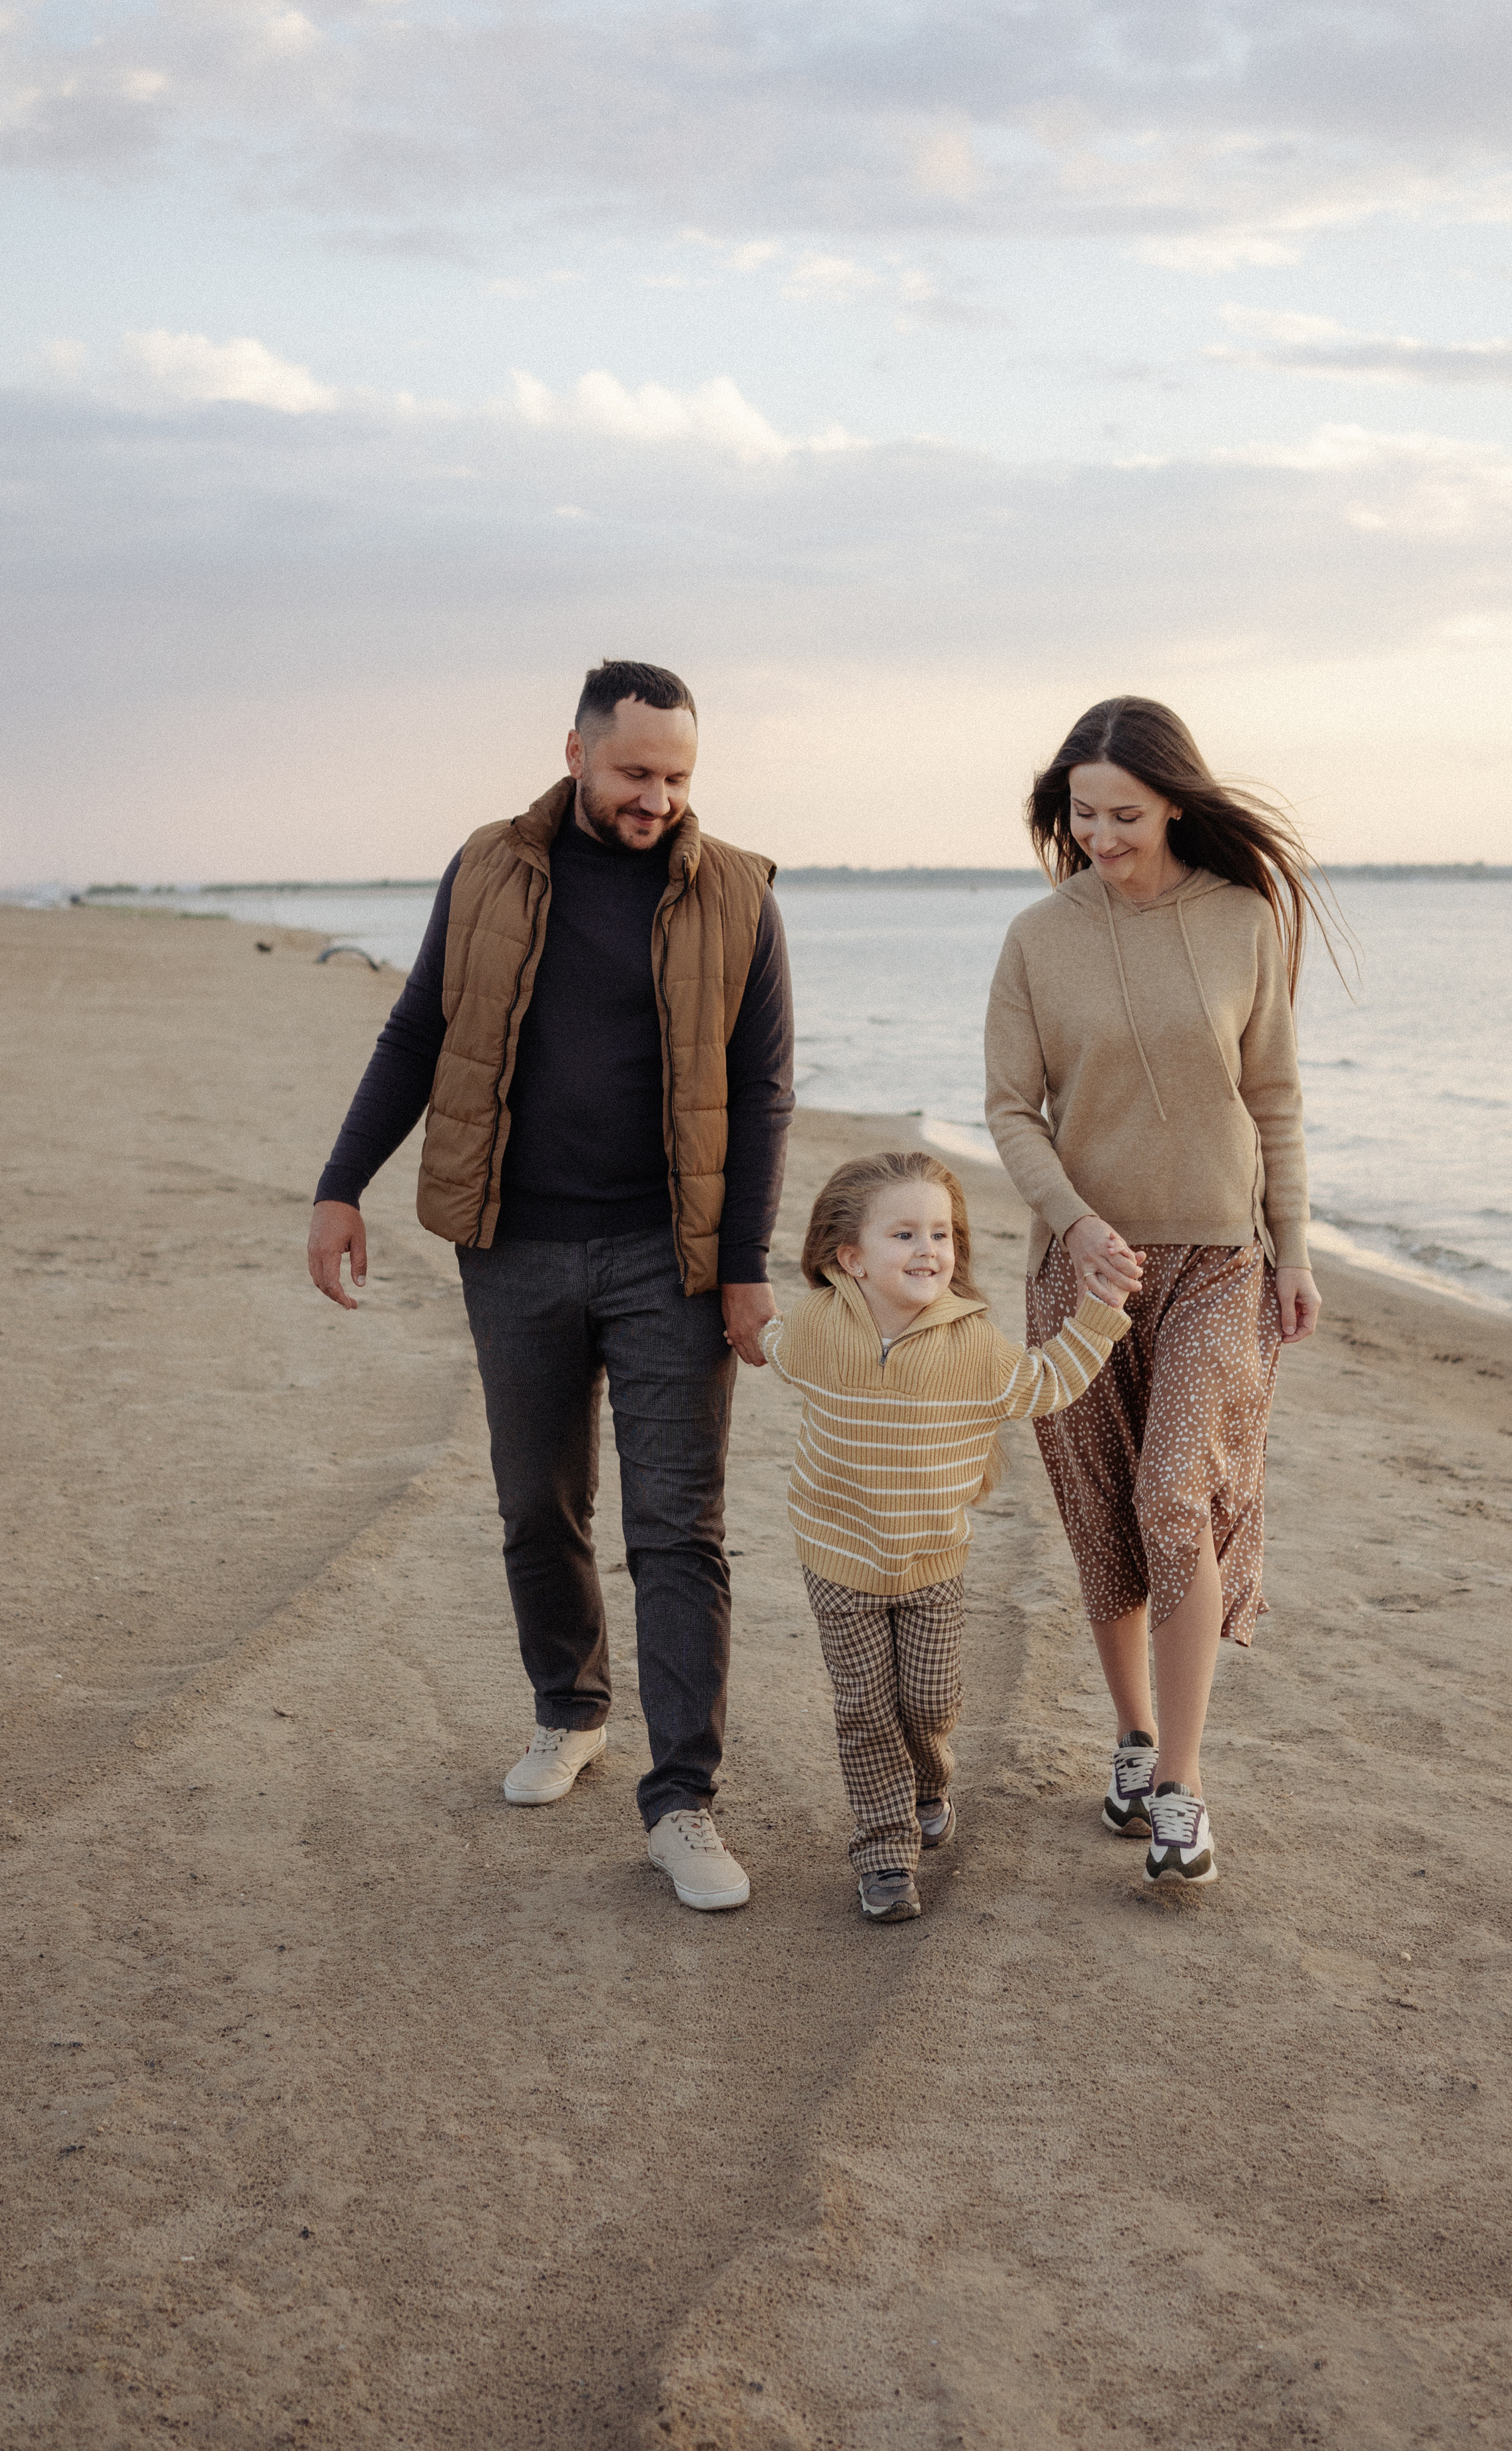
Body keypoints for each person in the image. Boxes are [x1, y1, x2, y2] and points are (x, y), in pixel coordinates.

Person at [306, 659, 793, 1914]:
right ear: (574, 753)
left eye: (680, 776)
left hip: (668, 1259)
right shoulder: (488, 868)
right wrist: (341, 1183)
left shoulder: (738, 893)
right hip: (511, 1245)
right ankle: (570, 1709)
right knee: (538, 1503)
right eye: (637, 772)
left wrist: (743, 1269)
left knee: (678, 1531)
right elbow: (419, 1029)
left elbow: (764, 1093)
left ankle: (683, 1801)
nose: (660, 799)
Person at [984, 696, 1329, 1889]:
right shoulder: (1038, 937)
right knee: (1103, 1521)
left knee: (1175, 1498)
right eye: (1082, 814)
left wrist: (1295, 1247)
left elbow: (1274, 1097)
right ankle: (1131, 1737)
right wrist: (1075, 1227)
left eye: (1125, 814)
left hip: (1220, 1262)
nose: (1101, 836)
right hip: (1082, 1273)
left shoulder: (1241, 921)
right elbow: (1008, 1111)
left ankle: (1181, 1785)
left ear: (1176, 800)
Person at [759, 1151, 1134, 1921]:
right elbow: (769, 1345)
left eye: (940, 1233)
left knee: (927, 1705)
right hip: (837, 1557)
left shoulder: (973, 1347)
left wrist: (1098, 1313)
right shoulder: (814, 1329)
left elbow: (1046, 1383)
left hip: (932, 1561)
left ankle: (928, 1783)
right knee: (865, 1709)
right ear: (851, 1258)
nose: (928, 1249)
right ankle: (885, 1854)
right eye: (904, 1234)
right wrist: (724, 1301)